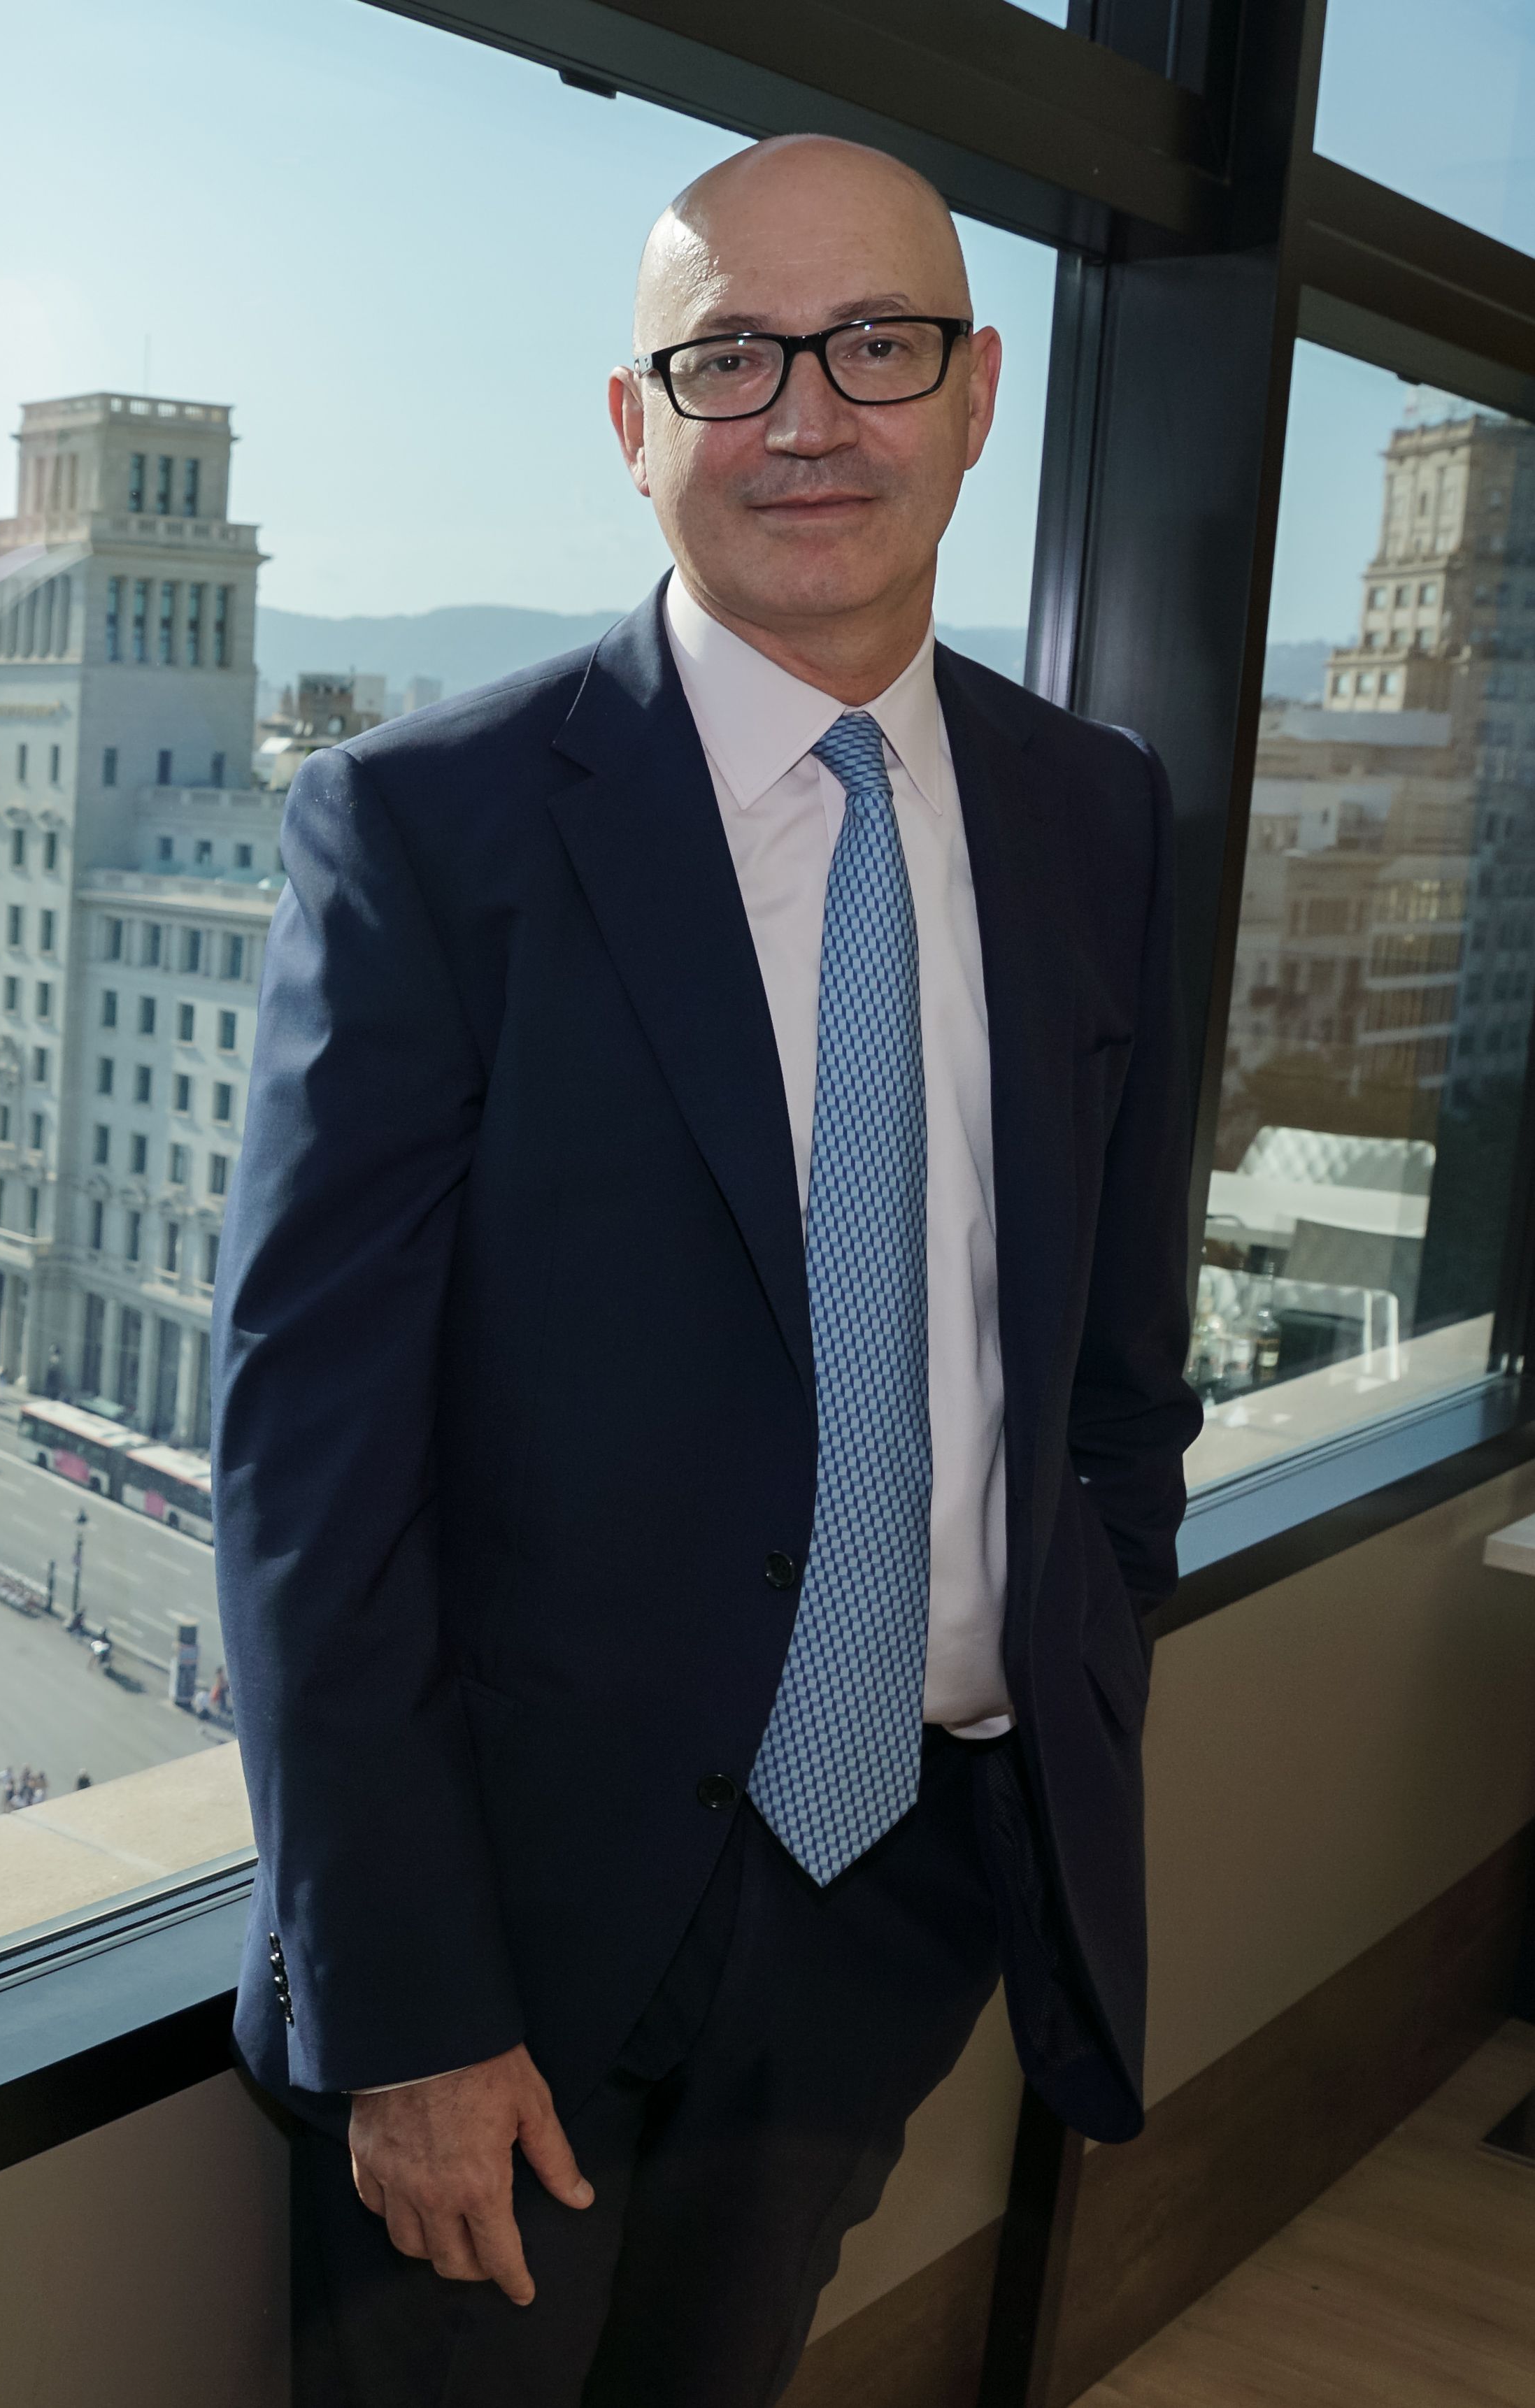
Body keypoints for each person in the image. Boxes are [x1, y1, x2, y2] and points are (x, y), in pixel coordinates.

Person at [210, 138, 1193, 2406]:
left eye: (877, 346)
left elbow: (1111, 1373)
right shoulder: (430, 835)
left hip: (895, 1897)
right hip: (510, 1953)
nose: (808, 418)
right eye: (730, 356)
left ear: (978, 395)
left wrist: (1057, 1687)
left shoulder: (1095, 816)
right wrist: (417, 2007)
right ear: (637, 424)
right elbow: (309, 1475)